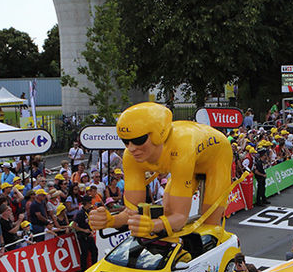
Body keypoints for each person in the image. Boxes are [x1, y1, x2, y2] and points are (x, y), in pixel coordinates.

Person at [90, 102, 233, 238]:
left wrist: (152, 225)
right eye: (125, 141)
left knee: (210, 222)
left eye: (139, 140)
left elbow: (180, 218)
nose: (132, 148)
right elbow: (132, 211)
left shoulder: (181, 147)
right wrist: (111, 221)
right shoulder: (130, 156)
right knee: (168, 211)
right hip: (188, 159)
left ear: (159, 135)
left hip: (216, 158)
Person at [70, 198, 98, 268]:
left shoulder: (87, 211)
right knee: (85, 253)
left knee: (94, 251)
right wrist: (84, 230)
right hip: (83, 236)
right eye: (90, 203)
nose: (90, 204)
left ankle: (94, 266)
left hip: (89, 235)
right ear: (87, 203)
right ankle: (83, 269)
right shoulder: (80, 213)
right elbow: (73, 225)